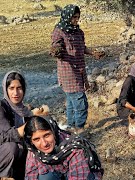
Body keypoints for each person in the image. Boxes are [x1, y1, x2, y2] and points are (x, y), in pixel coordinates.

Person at [49, 4, 105, 134]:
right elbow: (56, 47)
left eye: (78, 17)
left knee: (71, 102)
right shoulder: (59, 31)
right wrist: (56, 50)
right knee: (81, 102)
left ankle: (70, 127)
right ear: (67, 16)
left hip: (79, 70)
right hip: (68, 72)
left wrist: (93, 53)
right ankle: (79, 128)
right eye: (74, 17)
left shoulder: (78, 32)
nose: (76, 20)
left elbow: (82, 48)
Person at [24, 116, 104, 180]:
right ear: (31, 141)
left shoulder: (73, 147)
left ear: (54, 132)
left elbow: (79, 177)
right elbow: (31, 175)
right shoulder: (34, 150)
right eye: (37, 139)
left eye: (47, 135)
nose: (44, 144)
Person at [0, 71, 46, 179]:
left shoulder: (25, 110)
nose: (16, 93)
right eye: (11, 88)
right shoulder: (2, 107)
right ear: (5, 89)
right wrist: (24, 128)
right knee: (11, 147)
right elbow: (4, 136)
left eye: (19, 88)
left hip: (19, 156)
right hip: (4, 153)